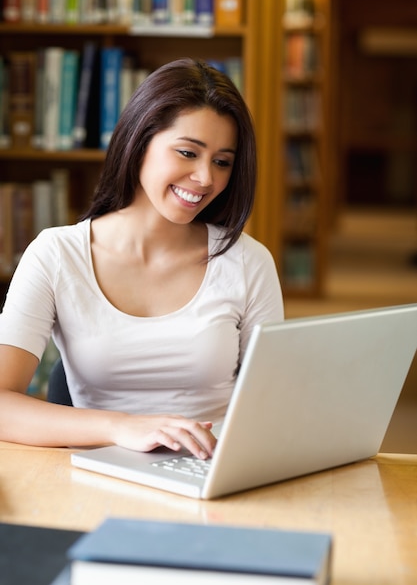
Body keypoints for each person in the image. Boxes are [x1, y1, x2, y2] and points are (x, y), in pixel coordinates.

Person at [0, 58, 284, 459]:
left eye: (222, 162)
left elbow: (274, 404)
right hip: (97, 476)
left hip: (212, 473)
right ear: (139, 141)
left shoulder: (248, 262)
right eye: (188, 152)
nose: (206, 178)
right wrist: (121, 426)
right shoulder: (57, 255)